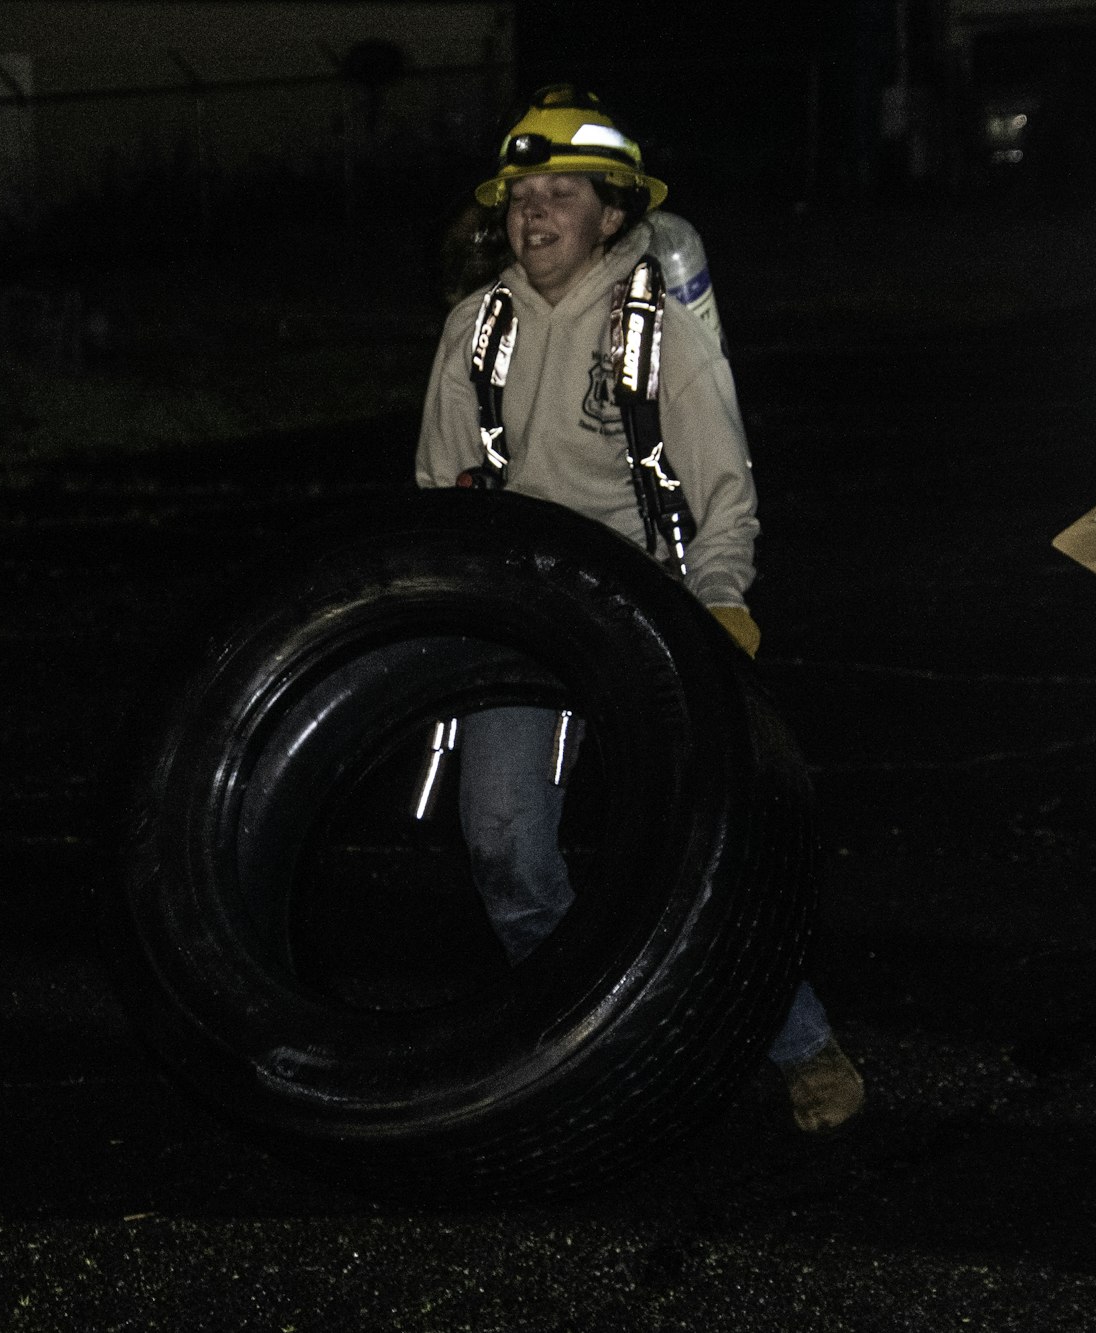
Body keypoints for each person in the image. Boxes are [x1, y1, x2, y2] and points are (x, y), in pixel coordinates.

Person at [415, 86, 867, 1137]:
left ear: (610, 214)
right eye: (521, 194)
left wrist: (718, 603)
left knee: (681, 856)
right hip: (516, 624)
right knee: (503, 849)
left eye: (559, 193)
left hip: (644, 618)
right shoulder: (469, 331)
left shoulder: (656, 329)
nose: (534, 213)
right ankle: (599, 1043)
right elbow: (437, 495)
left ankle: (802, 1046)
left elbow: (723, 492)